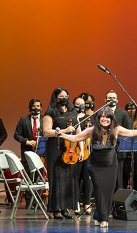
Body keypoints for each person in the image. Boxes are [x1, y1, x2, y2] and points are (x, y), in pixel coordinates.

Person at [58, 108, 137, 228]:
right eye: (102, 116)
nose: (105, 119)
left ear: (111, 119)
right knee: (100, 191)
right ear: (98, 118)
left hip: (110, 165)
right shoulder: (92, 130)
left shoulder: (116, 129)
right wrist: (62, 134)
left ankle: (99, 215)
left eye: (107, 117)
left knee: (108, 192)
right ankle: (104, 219)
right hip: (95, 166)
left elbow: (131, 133)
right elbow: (75, 138)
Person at [42, 87, 84, 219]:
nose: (64, 98)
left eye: (66, 95)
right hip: (56, 147)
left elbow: (79, 131)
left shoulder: (72, 111)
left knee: (69, 178)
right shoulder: (51, 112)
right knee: (57, 178)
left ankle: (66, 208)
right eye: (61, 96)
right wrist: (65, 131)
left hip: (71, 148)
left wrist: (81, 149)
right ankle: (56, 209)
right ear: (55, 98)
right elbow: (46, 132)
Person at [13, 98, 43, 208]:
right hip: (27, 152)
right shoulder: (23, 119)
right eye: (34, 106)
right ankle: (29, 203)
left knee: (39, 178)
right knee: (29, 179)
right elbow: (16, 135)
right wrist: (27, 141)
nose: (36, 108)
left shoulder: (45, 120)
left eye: (38, 106)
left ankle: (38, 202)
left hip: (41, 154)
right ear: (30, 107)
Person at [104, 90, 133, 190]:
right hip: (104, 149)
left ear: (117, 100)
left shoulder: (123, 113)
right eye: (109, 98)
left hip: (119, 149)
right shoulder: (101, 113)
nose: (111, 100)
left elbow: (128, 130)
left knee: (118, 176)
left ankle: (117, 202)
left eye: (113, 98)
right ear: (105, 100)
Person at [73, 96, 92, 214]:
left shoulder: (89, 118)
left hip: (87, 151)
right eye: (77, 104)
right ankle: (76, 203)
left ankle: (87, 203)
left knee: (87, 179)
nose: (80, 106)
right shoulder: (72, 118)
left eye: (82, 104)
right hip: (73, 151)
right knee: (75, 179)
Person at [124, 101, 137, 193]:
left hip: (136, 150)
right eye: (128, 109)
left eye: (133, 109)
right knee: (125, 172)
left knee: (136, 172)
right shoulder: (124, 121)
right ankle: (124, 191)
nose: (131, 111)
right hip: (125, 149)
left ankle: (136, 192)